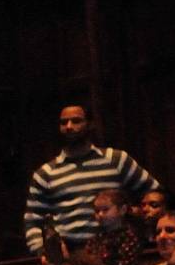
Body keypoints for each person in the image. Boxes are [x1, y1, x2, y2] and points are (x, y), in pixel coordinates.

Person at [22, 104, 161, 253]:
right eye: (63, 122)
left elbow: (156, 194)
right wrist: (44, 251)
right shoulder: (45, 173)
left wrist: (142, 221)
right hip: (72, 253)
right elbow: (33, 221)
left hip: (119, 247)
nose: (69, 126)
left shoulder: (116, 160)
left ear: (90, 124)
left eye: (76, 121)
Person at [82, 188, 145, 265]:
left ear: (123, 210)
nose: (100, 214)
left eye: (105, 210)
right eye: (97, 211)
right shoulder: (96, 237)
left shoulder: (130, 236)